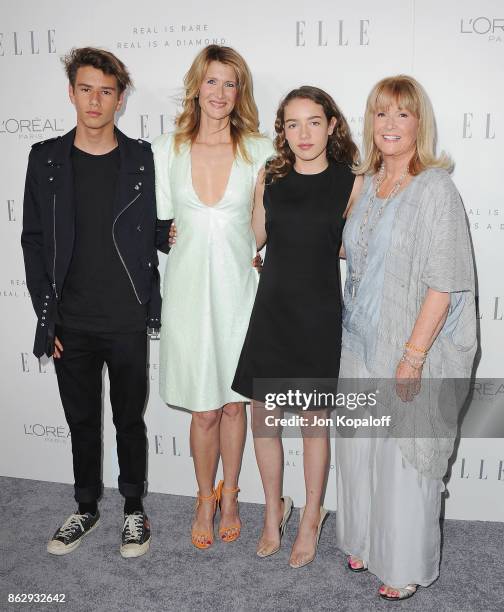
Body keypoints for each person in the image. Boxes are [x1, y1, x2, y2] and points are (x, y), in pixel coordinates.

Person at [336, 75, 477, 600]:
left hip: (408, 346)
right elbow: (357, 251)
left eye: (402, 114)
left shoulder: (435, 189)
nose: (390, 124)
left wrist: (413, 358)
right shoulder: (367, 184)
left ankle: (405, 563)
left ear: (420, 123)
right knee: (364, 449)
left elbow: (444, 280)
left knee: (403, 457)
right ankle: (367, 541)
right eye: (380, 114)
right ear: (369, 123)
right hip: (359, 339)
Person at [21, 47, 162, 558]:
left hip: (126, 315)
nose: (95, 100)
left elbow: (157, 228)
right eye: (86, 89)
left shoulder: (142, 158)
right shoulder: (46, 158)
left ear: (120, 99)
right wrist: (46, 314)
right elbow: (33, 240)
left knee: (129, 420)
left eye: (106, 91)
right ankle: (84, 505)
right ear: (71, 93)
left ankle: (132, 511)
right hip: (71, 321)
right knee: (81, 420)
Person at [232, 86, 362, 567]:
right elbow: (256, 238)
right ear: (282, 131)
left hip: (318, 316)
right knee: (263, 419)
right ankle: (273, 511)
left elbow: (355, 247)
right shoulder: (271, 173)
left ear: (332, 125)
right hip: (272, 312)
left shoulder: (353, 181)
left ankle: (311, 517)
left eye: (313, 121)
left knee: (313, 424)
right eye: (292, 123)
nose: (303, 133)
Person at [152, 45, 274, 549]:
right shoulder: (166, 149)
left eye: (231, 83)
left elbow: (265, 226)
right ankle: (204, 496)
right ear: (196, 87)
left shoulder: (261, 150)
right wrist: (169, 237)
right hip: (186, 294)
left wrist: (259, 251)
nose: (220, 93)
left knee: (232, 407)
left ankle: (231, 496)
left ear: (239, 91)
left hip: (238, 291)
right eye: (212, 82)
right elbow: (161, 223)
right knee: (203, 409)